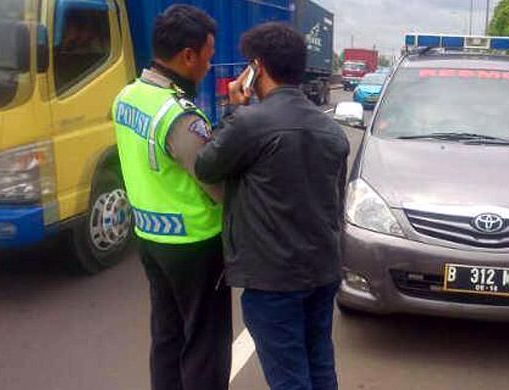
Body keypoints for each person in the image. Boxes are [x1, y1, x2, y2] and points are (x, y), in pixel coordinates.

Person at [194, 22, 350, 390]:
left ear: (256, 68)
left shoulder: (250, 123)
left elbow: (205, 166)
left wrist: (234, 109)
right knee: (319, 364)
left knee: (289, 378)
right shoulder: (333, 130)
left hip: (274, 278)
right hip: (322, 271)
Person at [111, 5, 230, 390]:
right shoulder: (179, 115)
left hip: (149, 237)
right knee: (205, 343)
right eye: (208, 58)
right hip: (194, 245)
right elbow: (215, 181)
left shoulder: (127, 96)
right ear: (188, 56)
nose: (209, 68)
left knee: (167, 336)